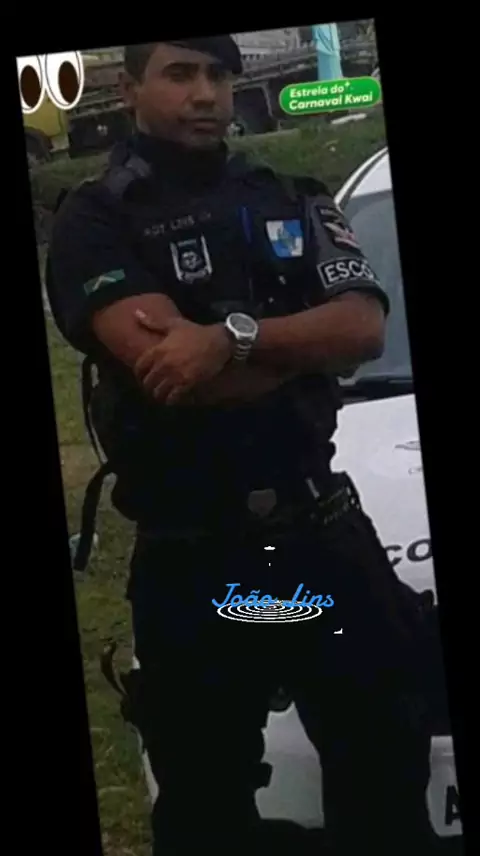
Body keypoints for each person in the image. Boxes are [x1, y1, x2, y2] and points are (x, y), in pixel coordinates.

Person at [46, 37, 438, 856]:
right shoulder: (97, 220)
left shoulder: (291, 195)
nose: (205, 94)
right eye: (181, 74)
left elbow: (364, 329)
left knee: (382, 768)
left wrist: (230, 338)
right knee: (205, 802)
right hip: (200, 563)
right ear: (131, 90)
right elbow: (170, 373)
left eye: (219, 75)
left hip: (319, 541)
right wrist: (305, 348)